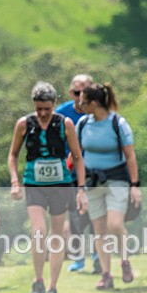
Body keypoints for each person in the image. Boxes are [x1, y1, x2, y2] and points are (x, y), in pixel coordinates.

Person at [8, 81, 88, 293]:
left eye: (47, 109)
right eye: (38, 108)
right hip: (34, 182)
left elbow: (77, 156)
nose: (42, 113)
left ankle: (52, 286)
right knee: (38, 232)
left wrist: (81, 189)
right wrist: (15, 180)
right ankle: (38, 280)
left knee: (57, 235)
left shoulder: (66, 124)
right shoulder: (24, 124)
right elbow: (13, 155)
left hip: (60, 184)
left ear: (54, 105)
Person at [77, 83, 141, 290]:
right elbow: (77, 156)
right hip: (92, 182)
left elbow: (130, 156)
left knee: (114, 224)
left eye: (83, 102)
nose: (79, 105)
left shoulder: (118, 123)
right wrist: (79, 187)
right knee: (99, 230)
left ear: (93, 104)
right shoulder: (83, 124)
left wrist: (134, 185)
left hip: (117, 179)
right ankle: (106, 274)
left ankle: (124, 261)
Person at [56, 74, 100, 274]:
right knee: (75, 216)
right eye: (76, 92)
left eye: (84, 92)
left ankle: (99, 257)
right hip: (70, 172)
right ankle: (79, 258)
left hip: (97, 170)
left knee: (98, 215)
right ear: (70, 93)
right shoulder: (61, 113)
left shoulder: (100, 113)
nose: (79, 97)